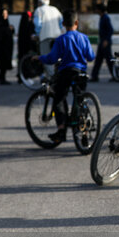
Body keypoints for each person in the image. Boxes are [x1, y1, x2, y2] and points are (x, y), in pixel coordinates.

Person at [34, 9, 95, 143]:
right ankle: (84, 131)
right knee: (80, 100)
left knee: (59, 98)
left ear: (63, 24)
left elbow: (52, 58)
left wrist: (40, 58)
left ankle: (61, 130)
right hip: (81, 73)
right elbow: (91, 57)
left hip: (66, 72)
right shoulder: (83, 38)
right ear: (77, 22)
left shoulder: (61, 39)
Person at [90, 4, 114, 82]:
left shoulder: (106, 18)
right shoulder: (102, 18)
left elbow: (110, 30)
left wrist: (106, 40)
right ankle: (94, 76)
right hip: (102, 42)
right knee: (98, 60)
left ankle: (114, 76)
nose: (95, 10)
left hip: (105, 42)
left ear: (100, 10)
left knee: (109, 60)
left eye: (97, 9)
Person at [17, 10, 35, 83]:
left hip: (24, 47)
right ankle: (25, 77)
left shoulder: (23, 25)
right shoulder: (28, 25)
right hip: (26, 47)